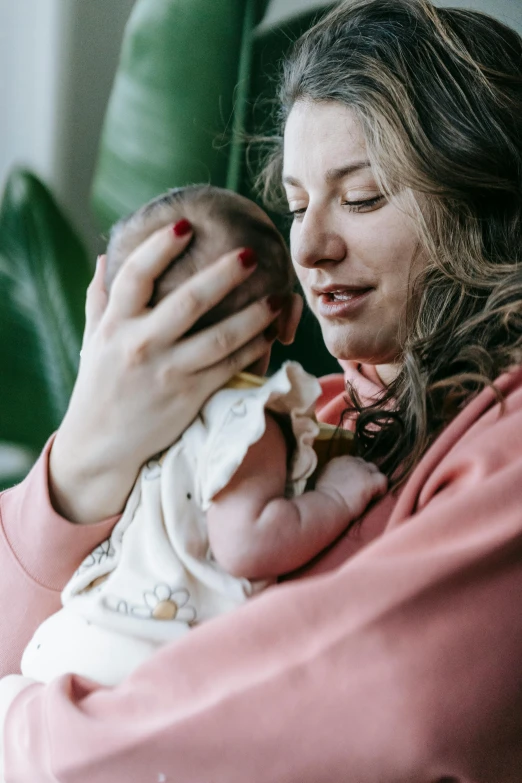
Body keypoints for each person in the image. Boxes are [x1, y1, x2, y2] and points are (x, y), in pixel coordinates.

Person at [1, 0, 522, 779]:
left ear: (484, 196)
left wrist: (22, 726)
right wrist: (86, 450)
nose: (309, 247)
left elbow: (393, 701)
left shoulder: (503, 444)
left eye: (364, 195)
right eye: (297, 204)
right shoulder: (319, 418)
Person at [15, 185, 382, 687]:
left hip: (61, 644)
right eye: (297, 209)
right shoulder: (250, 420)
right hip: (144, 667)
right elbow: (248, 542)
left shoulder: (145, 432)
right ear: (291, 318)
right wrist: (339, 497)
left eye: (362, 197)